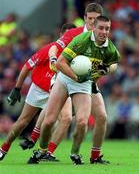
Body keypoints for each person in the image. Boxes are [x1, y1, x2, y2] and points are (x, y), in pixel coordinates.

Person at [27, 15, 120, 165]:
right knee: (49, 120)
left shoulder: (109, 48)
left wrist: (107, 69)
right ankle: (42, 150)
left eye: (107, 28)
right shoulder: (81, 40)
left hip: (84, 83)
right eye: (101, 28)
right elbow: (60, 63)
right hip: (65, 79)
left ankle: (75, 153)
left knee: (83, 122)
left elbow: (114, 63)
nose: (104, 32)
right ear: (94, 28)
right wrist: (76, 78)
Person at [0, 23, 76, 161]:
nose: (69, 39)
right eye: (67, 35)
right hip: (39, 88)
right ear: (61, 36)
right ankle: (3, 148)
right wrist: (17, 89)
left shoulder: (76, 54)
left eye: (72, 35)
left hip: (59, 89)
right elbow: (26, 67)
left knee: (66, 118)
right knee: (22, 122)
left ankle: (47, 153)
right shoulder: (49, 49)